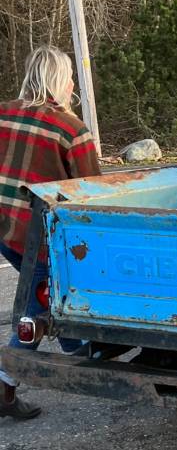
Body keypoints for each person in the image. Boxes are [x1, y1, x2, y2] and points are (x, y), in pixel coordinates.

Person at [0, 46, 100, 419]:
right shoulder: (71, 130)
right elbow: (92, 193)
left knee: (46, 292)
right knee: (37, 303)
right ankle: (5, 384)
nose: (73, 82)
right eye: (71, 76)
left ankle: (79, 347)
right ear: (60, 80)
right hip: (35, 235)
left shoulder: (3, 113)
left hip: (3, 227)